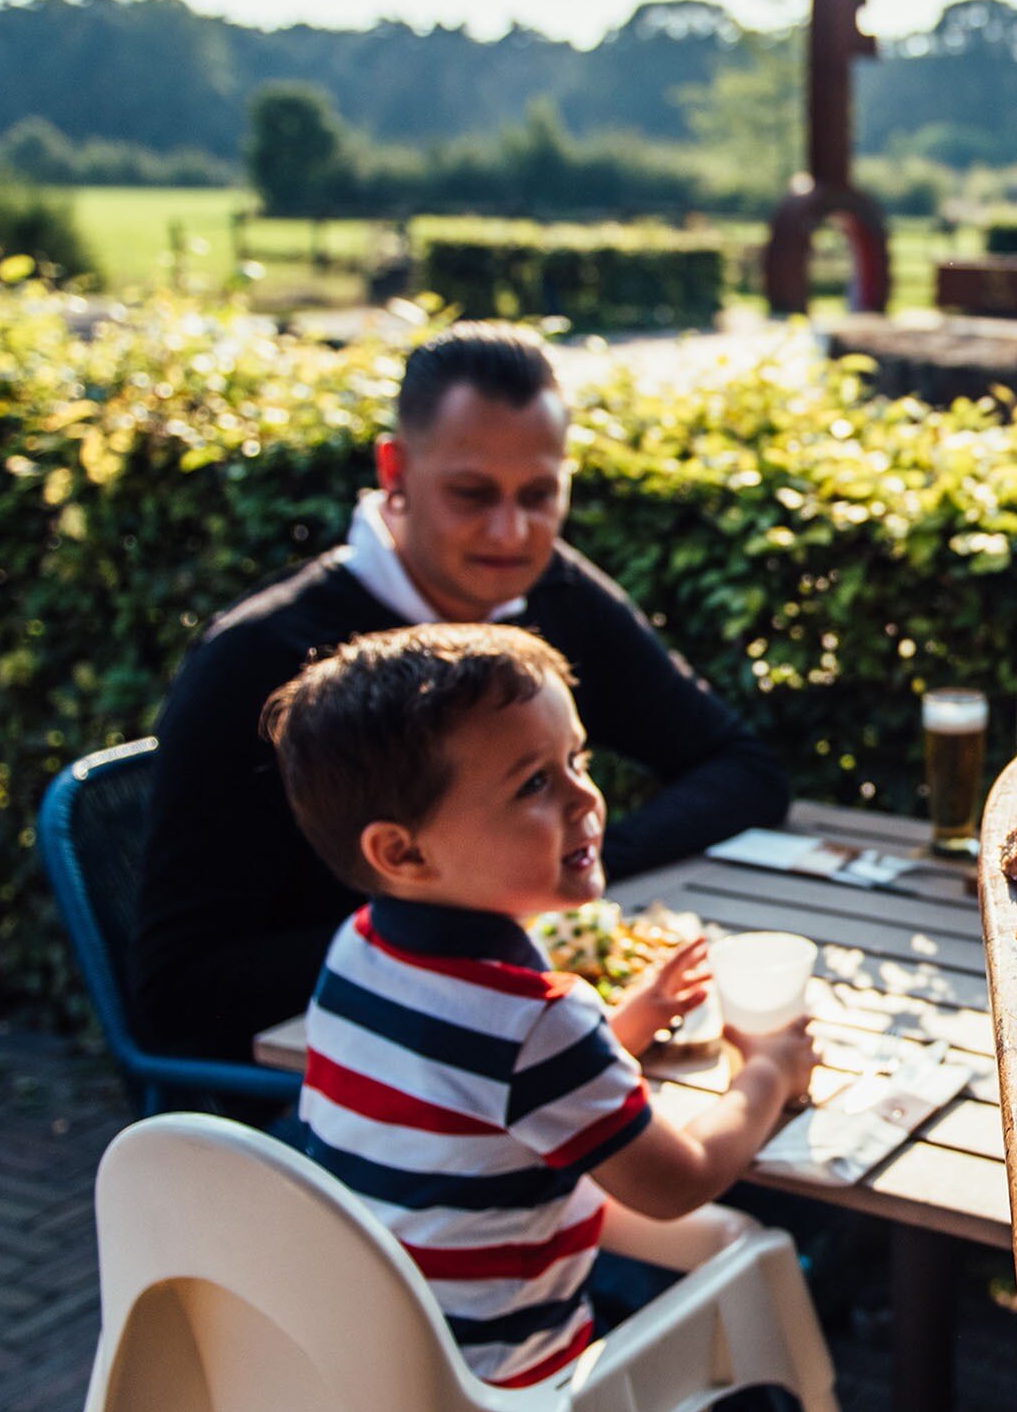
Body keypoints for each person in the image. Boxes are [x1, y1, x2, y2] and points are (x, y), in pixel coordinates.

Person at [264, 622, 813, 1412]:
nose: (584, 799)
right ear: (403, 848)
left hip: (377, 1367)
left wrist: (622, 1020)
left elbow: (475, 1082)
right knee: (734, 1400)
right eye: (532, 784)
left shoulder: (361, 946)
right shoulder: (534, 1022)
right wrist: (767, 1075)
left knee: (625, 1319)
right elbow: (683, 1171)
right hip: (501, 1408)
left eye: (579, 761)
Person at [133, 323, 789, 1063]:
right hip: (348, 1094)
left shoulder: (556, 590)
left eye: (540, 494)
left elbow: (744, 769)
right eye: (472, 494)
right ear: (395, 471)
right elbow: (178, 994)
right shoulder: (256, 659)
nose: (511, 532)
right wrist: (468, 933)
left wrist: (566, 868)